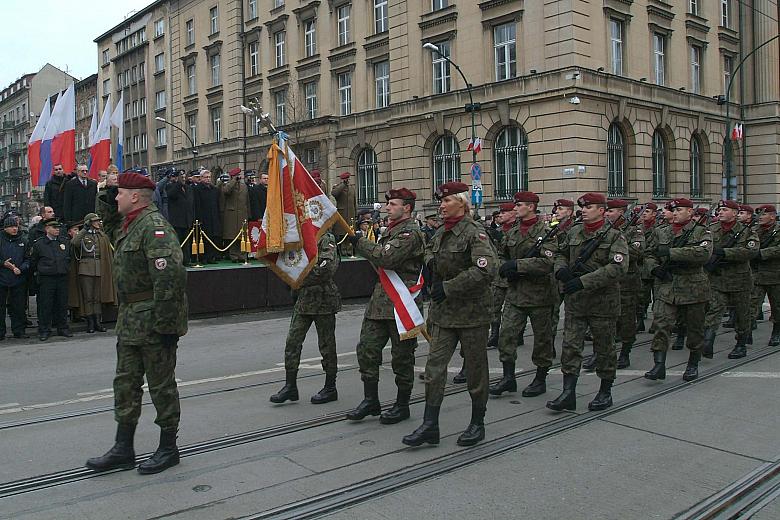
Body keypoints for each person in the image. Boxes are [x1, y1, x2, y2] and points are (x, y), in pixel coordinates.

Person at [85, 172, 187, 475]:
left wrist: (167, 328)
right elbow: (109, 219)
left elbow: (169, 280)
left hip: (154, 321)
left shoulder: (154, 228)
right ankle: (123, 448)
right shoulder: (130, 224)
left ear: (134, 197)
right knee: (126, 384)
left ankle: (169, 447)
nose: (115, 198)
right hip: (130, 320)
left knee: (161, 387)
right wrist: (107, 191)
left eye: (119, 194)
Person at [403, 181, 497, 447]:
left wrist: (449, 287)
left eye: (446, 201)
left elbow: (486, 269)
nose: (441, 206)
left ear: (462, 203)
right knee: (434, 369)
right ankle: (430, 424)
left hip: (472, 314)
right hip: (444, 314)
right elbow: (431, 256)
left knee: (476, 371)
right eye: (440, 201)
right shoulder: (441, 232)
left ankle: (477, 423)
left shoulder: (473, 232)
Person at [346, 188, 425, 425]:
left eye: (393, 204)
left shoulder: (410, 233)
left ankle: (402, 405)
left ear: (407, 208)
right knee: (367, 351)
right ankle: (371, 400)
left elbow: (387, 259)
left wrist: (360, 243)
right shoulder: (390, 231)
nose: (387, 207)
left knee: (402, 358)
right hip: (380, 303)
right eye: (387, 203)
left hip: (403, 305)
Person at [548, 192, 628, 412]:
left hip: (603, 303)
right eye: (582, 207)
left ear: (601, 210)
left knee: (604, 348)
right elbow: (560, 253)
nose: (583, 210)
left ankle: (605, 391)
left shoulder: (614, 236)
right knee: (570, 346)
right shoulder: (574, 231)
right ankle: (568, 392)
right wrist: (561, 270)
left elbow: (618, 267)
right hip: (576, 303)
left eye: (589, 207)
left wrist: (583, 282)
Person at [490, 191, 557, 398]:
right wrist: (503, 267)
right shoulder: (512, 232)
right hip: (516, 293)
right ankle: (508, 377)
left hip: (540, 295)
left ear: (531, 207)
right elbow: (501, 255)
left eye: (519, 205)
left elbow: (547, 263)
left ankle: (540, 378)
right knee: (506, 336)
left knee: (542, 340)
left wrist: (517, 265)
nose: (515, 208)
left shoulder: (546, 232)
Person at [644, 198, 713, 381]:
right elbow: (649, 253)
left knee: (695, 328)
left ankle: (692, 364)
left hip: (693, 286)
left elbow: (704, 253)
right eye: (673, 210)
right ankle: (659, 364)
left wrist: (672, 253)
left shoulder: (701, 231)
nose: (675, 213)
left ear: (690, 212)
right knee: (661, 324)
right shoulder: (660, 232)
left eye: (680, 210)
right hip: (668, 285)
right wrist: (654, 268)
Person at [270, 229, 341, 405]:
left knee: (326, 346)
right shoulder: (300, 235)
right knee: (292, 342)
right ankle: (290, 386)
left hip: (323, 299)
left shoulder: (326, 238)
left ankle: (330, 387)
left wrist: (298, 279)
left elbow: (326, 268)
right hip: (304, 299)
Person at [702, 200, 759, 359]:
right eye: (719, 210)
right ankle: (708, 341)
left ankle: (741, 344)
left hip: (739, 280)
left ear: (734, 213)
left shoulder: (747, 232)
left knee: (742, 314)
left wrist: (725, 253)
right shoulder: (711, 230)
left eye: (724, 209)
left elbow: (751, 252)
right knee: (714, 310)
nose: (720, 212)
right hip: (717, 279)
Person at [604, 199, 644, 369]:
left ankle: (625, 353)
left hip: (627, 282)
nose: (607, 213)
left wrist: (616, 249)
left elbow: (637, 251)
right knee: (607, 320)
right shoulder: (604, 229)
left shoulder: (635, 230)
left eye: (611, 211)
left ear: (621, 212)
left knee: (626, 320)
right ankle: (604, 353)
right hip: (608, 281)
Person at [69, 213, 115, 333]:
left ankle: (98, 322)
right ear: (89, 222)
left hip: (99, 267)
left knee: (97, 297)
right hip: (86, 268)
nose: (98, 223)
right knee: (88, 297)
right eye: (95, 221)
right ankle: (90, 323)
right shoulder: (83, 235)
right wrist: (84, 229)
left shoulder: (102, 236)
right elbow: (74, 243)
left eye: (98, 221)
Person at [30, 218, 72, 341]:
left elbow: (69, 258)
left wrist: (65, 268)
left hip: (62, 277)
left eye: (58, 227)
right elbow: (34, 261)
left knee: (62, 304)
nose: (57, 229)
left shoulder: (64, 241)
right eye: (54, 227)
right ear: (47, 229)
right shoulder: (39, 244)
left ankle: (63, 328)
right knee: (45, 305)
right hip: (46, 279)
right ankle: (44, 330)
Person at [486, 202, 516, 349]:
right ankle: (495, 335)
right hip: (498, 277)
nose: (501, 215)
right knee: (493, 307)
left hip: (513, 277)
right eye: (500, 213)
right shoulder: (497, 230)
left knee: (513, 310)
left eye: (504, 212)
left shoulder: (517, 230)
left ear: (513, 213)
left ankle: (516, 334)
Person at [751, 204, 780, 346]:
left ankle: (777, 331)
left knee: (777, 307)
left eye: (763, 214)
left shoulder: (778, 230)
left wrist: (762, 253)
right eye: (759, 215)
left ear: (772, 216)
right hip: (756, 274)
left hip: (775, 275)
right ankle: (744, 335)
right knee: (751, 306)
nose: (760, 217)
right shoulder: (753, 230)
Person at [0, 216, 30, 339]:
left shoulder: (23, 240)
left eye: (16, 226)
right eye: (11, 226)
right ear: (5, 228)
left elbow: (28, 259)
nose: (14, 229)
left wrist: (21, 268)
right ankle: (1, 332)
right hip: (2, 278)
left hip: (18, 279)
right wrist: (3, 264)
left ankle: (19, 331)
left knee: (18, 307)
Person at [219, 167, 249, 262]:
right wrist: (233, 181)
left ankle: (242, 256)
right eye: (237, 176)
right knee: (233, 237)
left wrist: (249, 214)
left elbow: (247, 201)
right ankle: (234, 256)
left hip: (242, 215)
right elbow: (226, 191)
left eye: (239, 175)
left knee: (242, 236)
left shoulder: (244, 186)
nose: (239, 177)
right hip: (231, 215)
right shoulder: (227, 185)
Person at [637, 203, 658, 332]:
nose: (644, 213)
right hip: (641, 268)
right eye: (643, 211)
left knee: (658, 298)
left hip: (655, 268)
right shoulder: (638, 228)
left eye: (647, 211)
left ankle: (657, 322)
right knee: (640, 296)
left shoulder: (660, 228)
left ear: (654, 214)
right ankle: (639, 321)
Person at [192, 170, 221, 264]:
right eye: (206, 177)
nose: (208, 179)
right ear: (201, 178)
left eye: (209, 177)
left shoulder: (214, 189)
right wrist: (199, 218)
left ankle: (211, 257)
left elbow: (217, 204)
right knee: (203, 238)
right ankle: (203, 258)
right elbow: (197, 204)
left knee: (212, 237)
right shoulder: (197, 189)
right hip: (204, 217)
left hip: (213, 217)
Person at [166, 171, 194, 266]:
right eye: (180, 176)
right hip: (177, 220)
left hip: (187, 220)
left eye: (183, 176)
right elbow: (171, 195)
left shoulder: (188, 188)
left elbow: (190, 203)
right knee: (177, 242)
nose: (183, 178)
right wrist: (178, 183)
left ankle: (186, 260)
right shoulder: (171, 186)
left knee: (186, 243)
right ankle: (177, 261)